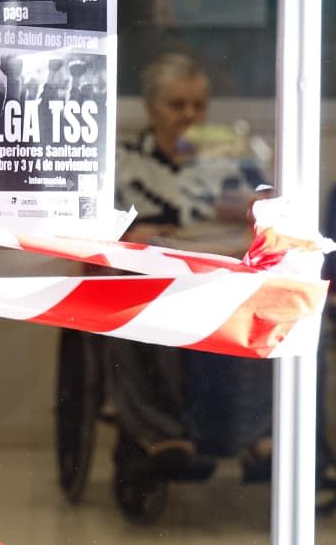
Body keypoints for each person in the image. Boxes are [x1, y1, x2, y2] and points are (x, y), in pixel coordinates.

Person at [107, 52, 273, 481]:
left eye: (198, 105)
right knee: (130, 290)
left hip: (222, 271)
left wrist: (249, 210)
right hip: (156, 275)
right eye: (177, 105)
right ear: (151, 108)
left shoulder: (230, 156)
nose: (189, 115)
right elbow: (97, 229)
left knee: (272, 294)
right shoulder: (122, 162)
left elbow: (269, 212)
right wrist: (130, 233)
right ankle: (162, 432)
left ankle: (259, 431)